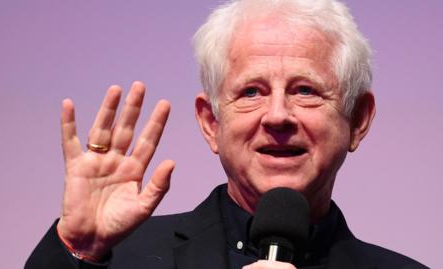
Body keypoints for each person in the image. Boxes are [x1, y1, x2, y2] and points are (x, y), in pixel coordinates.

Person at [26, 0, 428, 268]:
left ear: (358, 120)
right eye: (251, 92)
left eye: (305, 90)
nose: (277, 115)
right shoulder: (117, 259)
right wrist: (77, 251)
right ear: (211, 123)